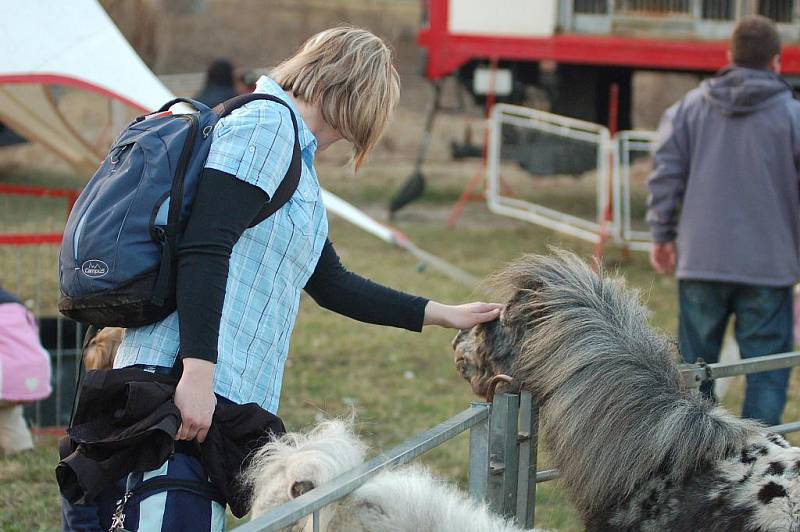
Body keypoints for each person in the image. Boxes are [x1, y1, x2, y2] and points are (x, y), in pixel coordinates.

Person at [62, 27, 502, 531]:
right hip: (179, 387)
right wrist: (197, 376)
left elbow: (331, 282)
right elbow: (205, 247)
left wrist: (441, 313)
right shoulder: (268, 127)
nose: (351, 137)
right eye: (361, 118)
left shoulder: (295, 157)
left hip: (212, 394)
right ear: (346, 91)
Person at [647, 15, 800, 426]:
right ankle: (757, 461)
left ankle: (696, 460)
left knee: (695, 373)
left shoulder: (689, 109)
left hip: (702, 262)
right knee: (766, 374)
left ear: (728, 56)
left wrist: (661, 234)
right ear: (777, 62)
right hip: (770, 267)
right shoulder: (792, 117)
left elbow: (665, 173)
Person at [0, 287, 51, 455]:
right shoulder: (15, 305)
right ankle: (21, 449)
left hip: (5, 374)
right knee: (8, 410)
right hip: (31, 373)